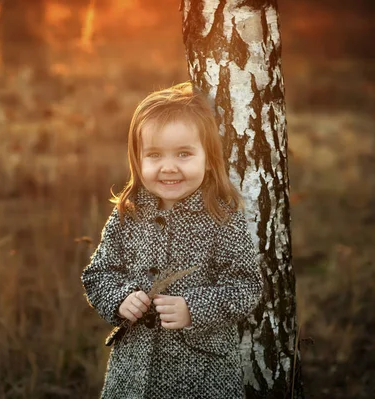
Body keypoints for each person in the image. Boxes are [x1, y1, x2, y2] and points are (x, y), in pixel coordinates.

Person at [81, 82, 264, 398]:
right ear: (138, 160)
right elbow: (98, 275)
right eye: (154, 155)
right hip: (133, 374)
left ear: (208, 158)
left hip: (205, 377)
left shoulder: (221, 217)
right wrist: (120, 298)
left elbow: (246, 286)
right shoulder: (129, 214)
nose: (168, 167)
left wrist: (194, 307)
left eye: (183, 154)